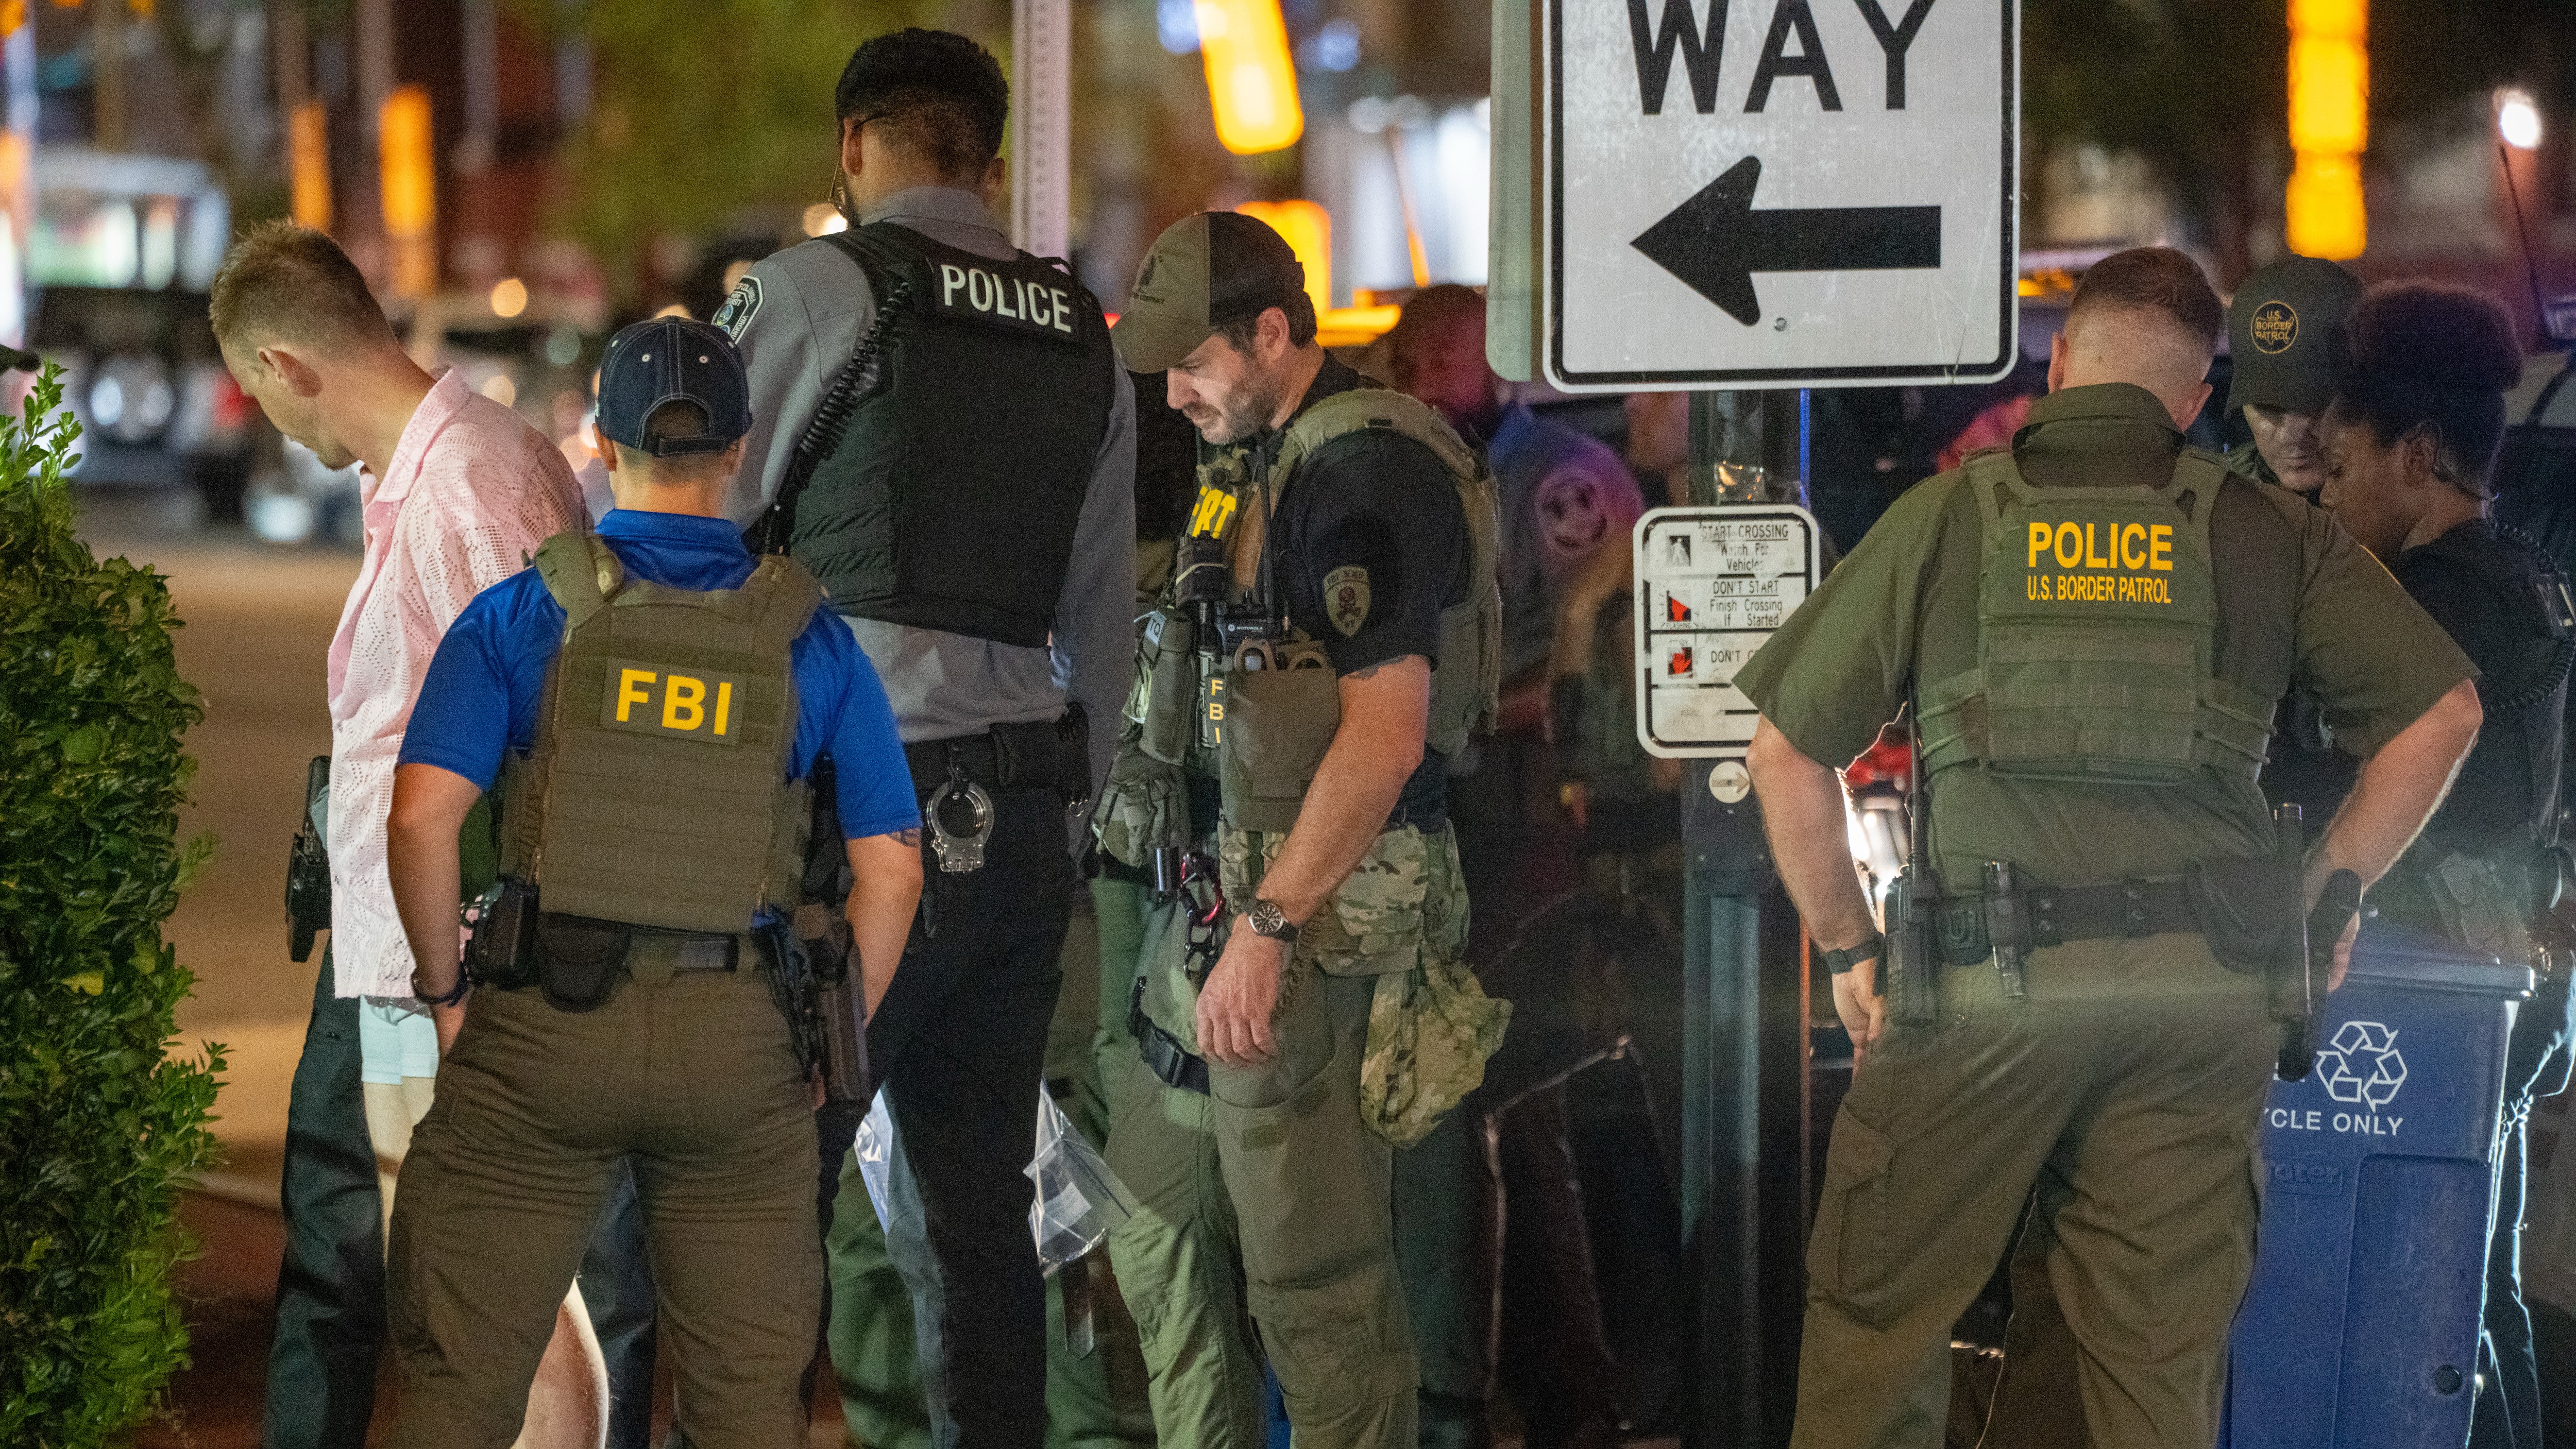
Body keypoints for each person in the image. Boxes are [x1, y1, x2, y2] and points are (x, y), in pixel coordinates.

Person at [1736, 246, 2484, 1448]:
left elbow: (1785, 749)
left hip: (1986, 994)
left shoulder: (1951, 516)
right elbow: (2442, 715)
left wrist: (1846, 946)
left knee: (1878, 1327)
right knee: (2141, 1358)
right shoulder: (2264, 532)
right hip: (2200, 1000)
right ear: (2196, 400)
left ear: (2063, 362)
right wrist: (2325, 893)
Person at [377, 318, 923, 1448]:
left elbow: (423, 814)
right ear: (737, 450)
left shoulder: (530, 610)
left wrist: (447, 993)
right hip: (737, 1044)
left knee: (458, 1384)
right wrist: (835, 1039)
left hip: (541, 1028)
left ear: (601, 437)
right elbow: (893, 866)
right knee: (745, 1404)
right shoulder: (808, 637)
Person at [714, 28, 1134, 1449]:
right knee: (979, 1223)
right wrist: (1058, 829)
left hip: (853, 836)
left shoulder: (812, 290)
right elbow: (1106, 629)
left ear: (851, 147)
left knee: (768, 1194)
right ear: (992, 165)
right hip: (1019, 828)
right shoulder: (1083, 333)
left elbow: (695, 534)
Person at [1093, 210, 1507, 1449]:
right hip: (1214, 917)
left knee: (1313, 1283)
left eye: (1195, 363)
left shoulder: (1359, 476)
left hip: (1308, 933)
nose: (1173, 394)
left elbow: (1383, 737)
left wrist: (1269, 929)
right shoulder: (1261, 459)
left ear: (1272, 332)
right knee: (1159, 1227)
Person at [211, 221, 622, 1449]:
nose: (277, 426)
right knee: (420, 1275)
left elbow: (543, 738)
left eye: (261, 394)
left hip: (438, 963)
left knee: (473, 1293)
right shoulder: (452, 467)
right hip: (406, 953)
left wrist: (461, 986)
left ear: (289, 366)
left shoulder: (469, 489)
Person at [2315, 282, 2576, 1449]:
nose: (2325, 484)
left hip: (2432, 982)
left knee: (2427, 1306)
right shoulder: (2532, 580)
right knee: (2479, 1296)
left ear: (2415, 452)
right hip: (2506, 977)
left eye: (2342, 458)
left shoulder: (2426, 606)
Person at [1380, 283, 1637, 1449]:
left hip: (1528, 821)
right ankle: (1540, 1394)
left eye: (1447, 352)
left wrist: (1468, 717)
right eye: (1412, 353)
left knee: (1496, 1106)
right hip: (1438, 816)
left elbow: (1602, 663)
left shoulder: (1561, 480)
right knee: (1484, 1118)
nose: (1425, 369)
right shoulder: (1399, 463)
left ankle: (1539, 1394)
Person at [2222, 254, 2363, 495]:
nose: (2294, 434)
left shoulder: (2413, 510)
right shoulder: (2206, 504)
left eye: (2317, 406)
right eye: (2269, 407)